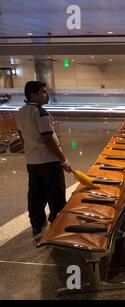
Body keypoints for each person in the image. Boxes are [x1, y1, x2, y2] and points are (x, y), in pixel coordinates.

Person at [15, 81, 72, 236]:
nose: (47, 95)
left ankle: (37, 224)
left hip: (32, 162)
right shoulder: (41, 113)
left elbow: (22, 138)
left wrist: (30, 151)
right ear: (33, 94)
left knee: (35, 194)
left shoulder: (19, 112)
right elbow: (48, 140)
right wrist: (63, 160)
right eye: (44, 92)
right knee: (56, 195)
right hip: (49, 162)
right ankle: (57, 226)